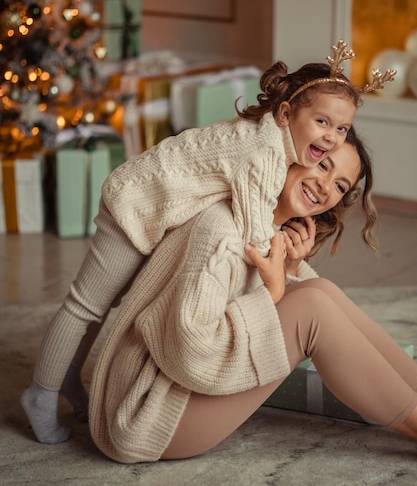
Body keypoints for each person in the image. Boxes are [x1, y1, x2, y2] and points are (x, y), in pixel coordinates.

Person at [20, 41, 393, 444]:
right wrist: (274, 272)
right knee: (86, 304)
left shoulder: (276, 144)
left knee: (105, 304)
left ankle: (69, 380)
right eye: (323, 122)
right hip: (136, 205)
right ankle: (40, 394)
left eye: (340, 129)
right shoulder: (263, 153)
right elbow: (254, 229)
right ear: (286, 113)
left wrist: (292, 271)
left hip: (158, 211)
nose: (333, 138)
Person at [86, 128, 417, 463]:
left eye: (341, 185)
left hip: (184, 394)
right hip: (151, 413)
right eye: (322, 165)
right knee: (312, 306)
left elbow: (250, 306)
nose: (325, 186)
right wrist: (273, 292)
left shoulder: (261, 226)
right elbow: (192, 352)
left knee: (319, 291)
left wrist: (289, 269)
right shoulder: (222, 228)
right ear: (293, 154)